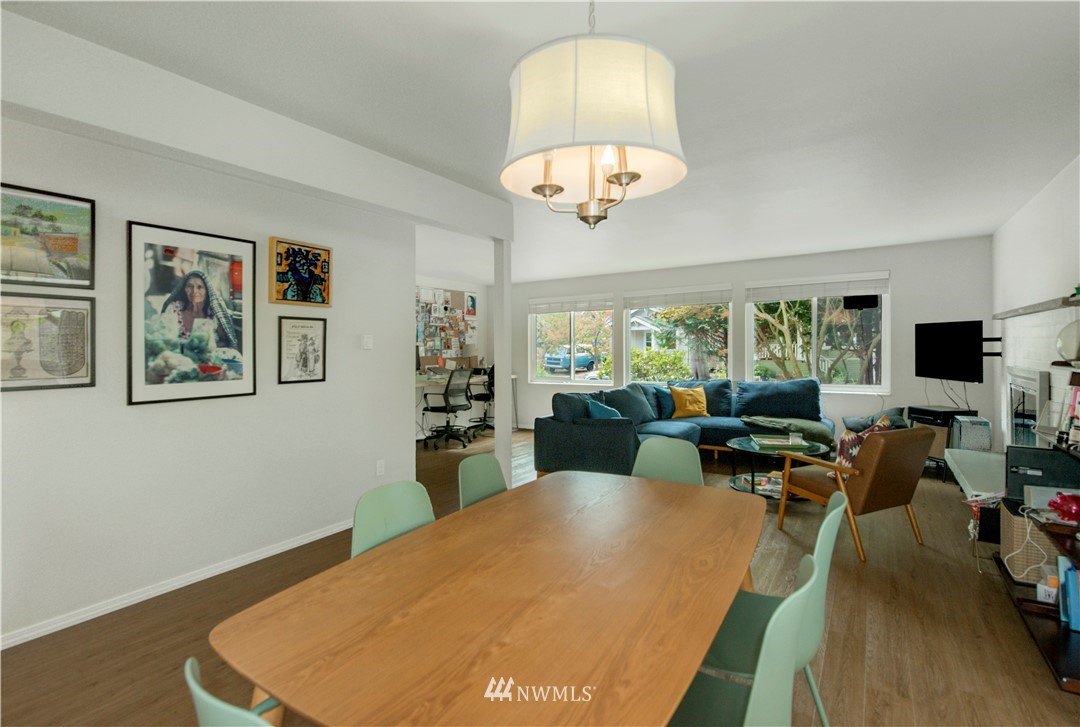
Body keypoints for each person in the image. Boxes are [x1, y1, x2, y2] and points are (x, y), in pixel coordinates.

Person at [159, 270, 238, 349]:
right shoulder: (174, 309)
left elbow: (225, 342)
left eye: (199, 287)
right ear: (184, 289)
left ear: (207, 291)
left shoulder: (214, 315)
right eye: (189, 286)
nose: (194, 291)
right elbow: (163, 337)